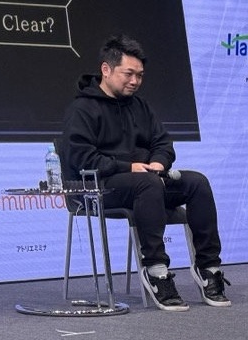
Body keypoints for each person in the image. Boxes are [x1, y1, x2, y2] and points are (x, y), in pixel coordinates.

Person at [59, 35, 231, 311]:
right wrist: (128, 167)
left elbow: (163, 143)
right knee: (147, 184)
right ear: (106, 70)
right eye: (129, 74)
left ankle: (208, 268)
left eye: (139, 75)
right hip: (99, 188)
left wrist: (160, 162)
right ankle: (156, 271)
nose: (135, 81)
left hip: (146, 181)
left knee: (196, 182)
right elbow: (81, 158)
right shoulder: (81, 109)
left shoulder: (140, 106)